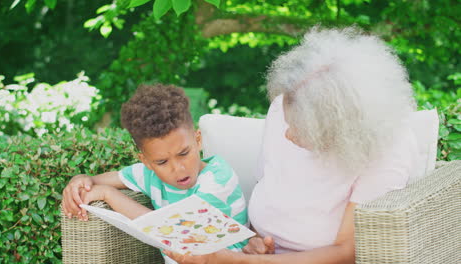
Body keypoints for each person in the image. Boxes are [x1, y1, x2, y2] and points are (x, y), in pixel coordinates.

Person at [164, 27, 420, 263]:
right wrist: (254, 241)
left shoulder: (387, 146)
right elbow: (267, 185)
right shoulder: (285, 106)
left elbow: (346, 252)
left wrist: (239, 261)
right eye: (288, 122)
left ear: (341, 129)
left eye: (300, 131)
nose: (287, 135)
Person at [61, 84, 248, 263]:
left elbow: (175, 231)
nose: (178, 168)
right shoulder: (150, 175)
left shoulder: (218, 179)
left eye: (184, 153)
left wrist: (108, 194)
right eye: (162, 162)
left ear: (198, 141)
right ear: (147, 161)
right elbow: (95, 180)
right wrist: (79, 181)